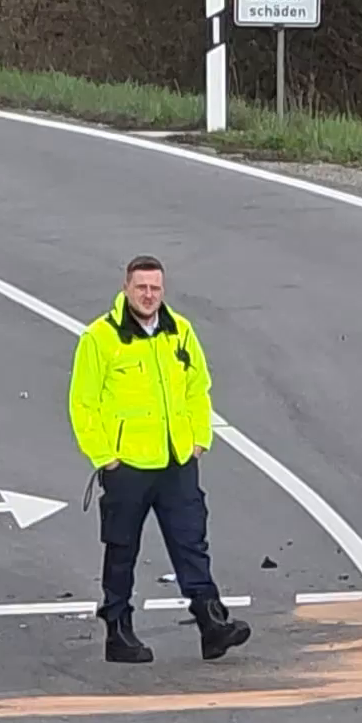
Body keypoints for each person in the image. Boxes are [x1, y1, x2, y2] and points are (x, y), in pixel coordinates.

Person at [67, 256, 246, 665]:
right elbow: (83, 402)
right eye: (141, 287)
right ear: (126, 288)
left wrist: (199, 439)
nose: (148, 295)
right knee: (121, 548)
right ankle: (118, 629)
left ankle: (211, 621)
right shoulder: (100, 338)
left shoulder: (179, 331)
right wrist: (105, 457)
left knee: (191, 542)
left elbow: (199, 386)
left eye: (155, 288)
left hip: (177, 459)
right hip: (127, 465)